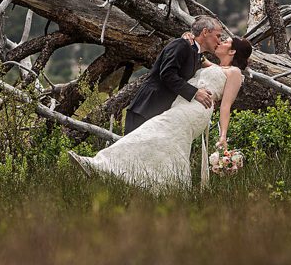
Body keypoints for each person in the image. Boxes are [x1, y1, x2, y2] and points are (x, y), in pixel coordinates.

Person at [70, 30, 252, 191]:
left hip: (196, 111)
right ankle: (166, 185)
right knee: (165, 141)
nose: (221, 42)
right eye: (220, 38)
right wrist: (187, 37)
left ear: (233, 51)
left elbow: (226, 106)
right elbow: (195, 51)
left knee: (152, 130)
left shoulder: (234, 73)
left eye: (225, 41)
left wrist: (223, 135)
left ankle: (100, 164)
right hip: (181, 105)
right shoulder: (211, 66)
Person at [124, 16, 223, 134]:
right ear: (205, 32)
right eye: (218, 36)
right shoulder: (180, 44)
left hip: (159, 115)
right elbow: (167, 74)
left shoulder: (197, 55)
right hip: (145, 110)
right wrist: (195, 93)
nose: (219, 41)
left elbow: (217, 68)